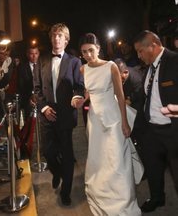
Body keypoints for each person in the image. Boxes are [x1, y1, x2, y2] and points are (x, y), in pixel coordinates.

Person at [78, 33, 141, 215]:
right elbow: (87, 93)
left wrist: (124, 122)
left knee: (117, 160)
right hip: (95, 120)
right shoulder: (83, 69)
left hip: (113, 117)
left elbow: (120, 96)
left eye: (91, 50)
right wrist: (81, 100)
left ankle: (123, 199)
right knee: (100, 159)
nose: (88, 55)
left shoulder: (111, 66)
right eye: (84, 52)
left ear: (98, 48)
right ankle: (103, 192)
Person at [34, 23, 84, 206]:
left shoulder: (74, 61)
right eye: (54, 35)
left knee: (67, 152)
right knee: (48, 151)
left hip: (65, 113)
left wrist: (77, 96)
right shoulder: (42, 60)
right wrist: (44, 108)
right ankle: (57, 172)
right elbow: (37, 88)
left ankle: (66, 191)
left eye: (60, 35)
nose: (56, 38)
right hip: (48, 112)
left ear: (66, 39)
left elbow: (79, 86)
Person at [134, 30, 178, 213]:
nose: (138, 55)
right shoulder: (149, 68)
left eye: (140, 51)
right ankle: (157, 198)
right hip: (151, 131)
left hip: (172, 132)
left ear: (153, 45)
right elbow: (146, 97)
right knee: (153, 170)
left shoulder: (175, 61)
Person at [18, 46, 40, 119]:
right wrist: (31, 96)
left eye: (36, 53)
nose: (34, 56)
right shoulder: (22, 67)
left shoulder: (43, 66)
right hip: (28, 100)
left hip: (42, 99)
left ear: (38, 54)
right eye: (31, 54)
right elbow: (21, 86)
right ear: (27, 54)